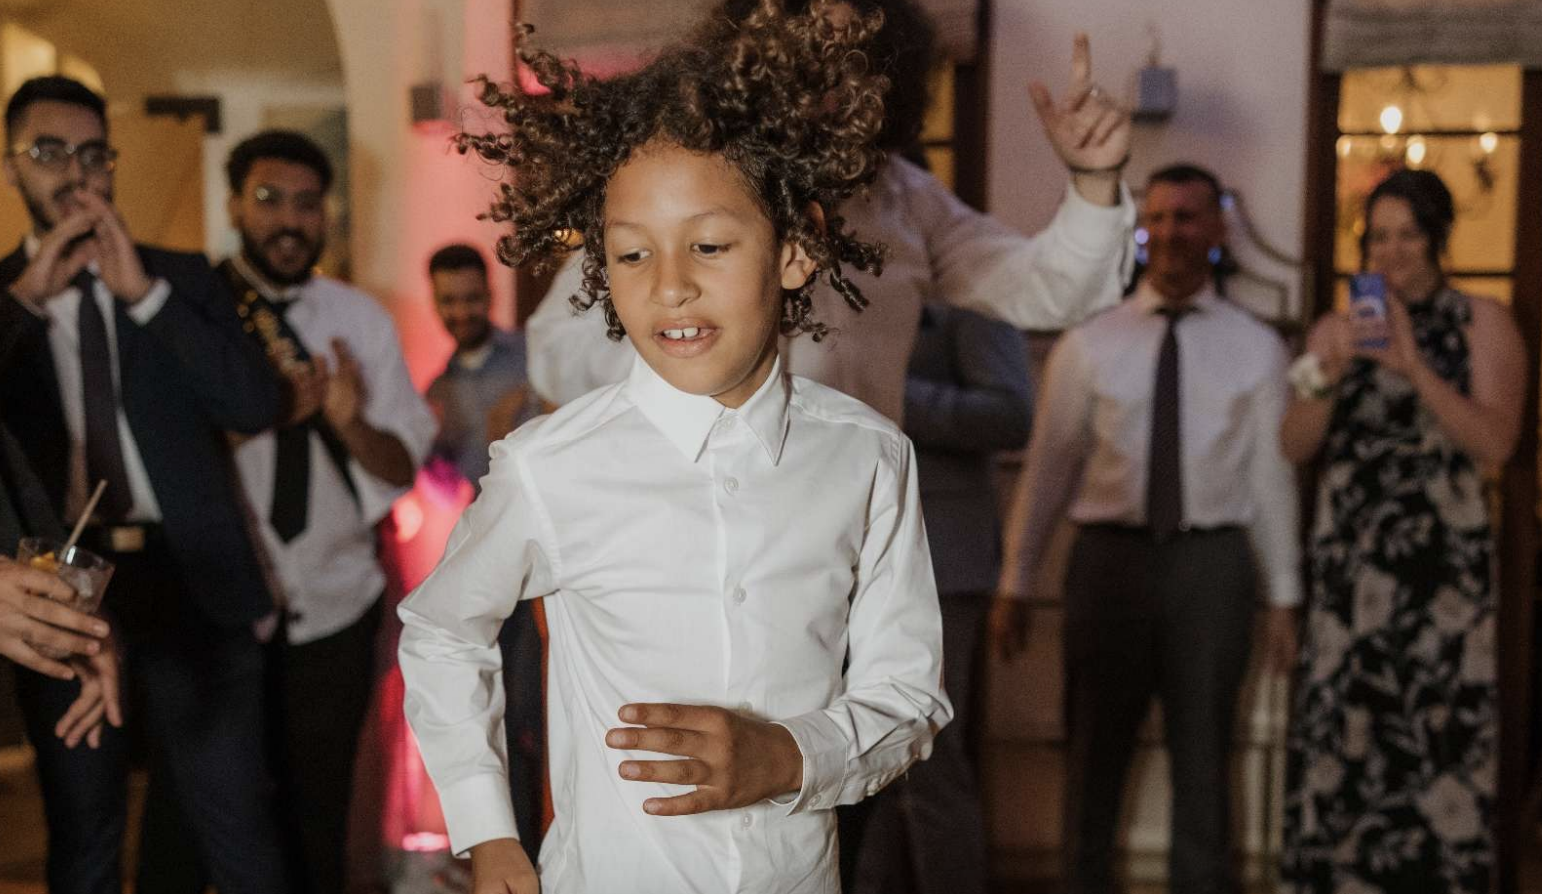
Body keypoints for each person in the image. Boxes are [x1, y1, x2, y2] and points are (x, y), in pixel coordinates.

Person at [398, 5, 950, 893]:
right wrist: (486, 827)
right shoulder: (553, 466)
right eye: (630, 256)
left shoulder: (869, 460)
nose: (671, 287)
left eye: (709, 244)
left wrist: (791, 756)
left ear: (798, 247)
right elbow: (438, 629)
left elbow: (909, 696)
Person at [523, 0, 1136, 426]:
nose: (825, 86)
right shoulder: (680, 180)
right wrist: (695, 344)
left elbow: (1051, 290)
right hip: (685, 527)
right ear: (749, 60)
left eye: (851, 61)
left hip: (846, 532)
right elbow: (555, 350)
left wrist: (1094, 178)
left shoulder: (905, 198)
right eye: (802, 57)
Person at [0, 75, 290, 894]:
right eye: (49, 152)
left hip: (191, 578)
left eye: (94, 154)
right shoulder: (0, 299)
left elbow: (256, 402)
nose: (77, 173)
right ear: (12, 167)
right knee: (84, 835)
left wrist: (145, 297)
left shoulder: (182, 277)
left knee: (236, 829)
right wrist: (21, 302)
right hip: (62, 585)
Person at [992, 164, 1301, 894]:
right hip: (1108, 566)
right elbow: (1049, 471)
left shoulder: (1257, 347)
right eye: (1157, 218)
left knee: (1204, 760)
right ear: (1140, 230)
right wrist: (1015, 581)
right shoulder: (1089, 344)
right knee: (1094, 758)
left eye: (1187, 217)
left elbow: (1269, 479)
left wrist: (1285, 594)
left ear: (1218, 230)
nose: (1170, 234)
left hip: (1213, 568)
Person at [203, 129, 434, 894]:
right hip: (221, 605)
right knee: (219, 809)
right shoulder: (196, 311)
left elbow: (401, 469)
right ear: (235, 203)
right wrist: (257, 414)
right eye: (269, 200)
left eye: (307, 203)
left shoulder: (359, 319)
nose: (289, 220)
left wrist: (347, 419)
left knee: (321, 808)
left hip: (337, 602)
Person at [1278, 169, 1522, 894]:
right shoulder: (1334, 327)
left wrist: (1413, 366)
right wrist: (1332, 366)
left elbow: (1497, 443)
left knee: (1435, 740)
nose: (1391, 251)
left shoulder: (1483, 321)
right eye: (1377, 236)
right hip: (1353, 572)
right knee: (1346, 733)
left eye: (1407, 234)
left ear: (1437, 238)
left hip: (1440, 575)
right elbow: (1293, 443)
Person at [852, 304, 1031, 894]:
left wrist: (883, 391)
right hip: (841, 557)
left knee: (931, 756)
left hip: (942, 560)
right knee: (857, 757)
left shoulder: (972, 292)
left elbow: (1011, 414)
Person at [424, 241, 545, 862]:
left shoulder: (531, 357)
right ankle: (509, 848)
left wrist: (513, 435)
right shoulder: (438, 387)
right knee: (490, 711)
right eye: (450, 300)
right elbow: (448, 488)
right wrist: (437, 446)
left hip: (545, 561)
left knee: (537, 713)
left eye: (472, 296)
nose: (462, 308)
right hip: (485, 567)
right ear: (436, 303)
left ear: (489, 295)